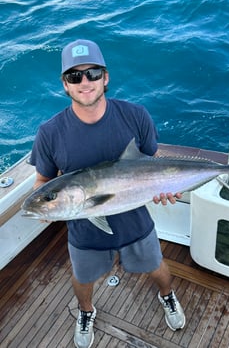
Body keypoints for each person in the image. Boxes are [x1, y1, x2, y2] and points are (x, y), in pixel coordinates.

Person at [30, 39, 185, 348]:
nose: (85, 82)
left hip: (135, 220)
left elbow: (152, 164)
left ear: (106, 77)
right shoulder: (49, 133)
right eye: (75, 76)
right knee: (83, 279)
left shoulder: (135, 115)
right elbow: (42, 182)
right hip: (84, 230)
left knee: (157, 267)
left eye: (93, 73)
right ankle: (85, 312)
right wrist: (46, 206)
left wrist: (166, 189)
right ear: (65, 84)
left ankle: (167, 296)